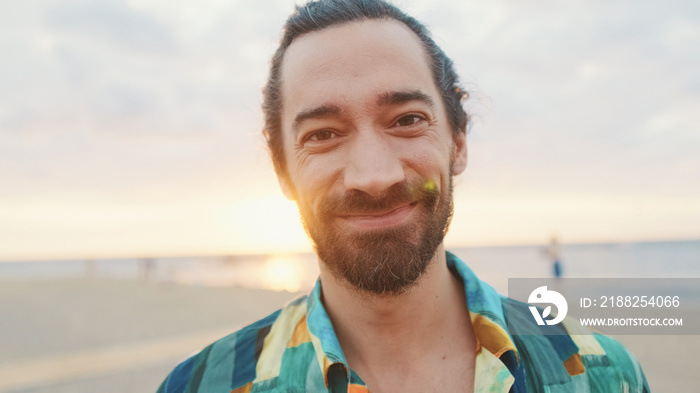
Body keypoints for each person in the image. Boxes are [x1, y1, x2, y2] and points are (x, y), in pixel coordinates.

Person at [157, 1, 649, 392]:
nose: (374, 176)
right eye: (323, 134)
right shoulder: (202, 386)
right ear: (283, 170)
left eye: (407, 120)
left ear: (457, 142)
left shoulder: (604, 375)